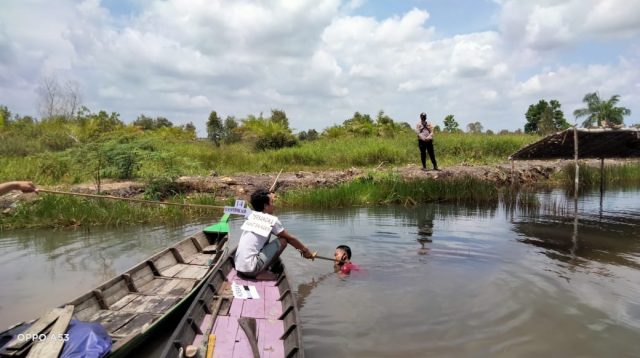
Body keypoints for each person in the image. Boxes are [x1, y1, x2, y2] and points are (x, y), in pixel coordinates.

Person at [234, 188, 314, 280]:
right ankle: (260, 272)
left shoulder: (251, 215)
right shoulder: (271, 220)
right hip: (251, 270)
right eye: (272, 202)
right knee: (283, 240)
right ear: (265, 206)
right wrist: (305, 250)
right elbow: (290, 239)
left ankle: (258, 269)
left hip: (239, 267)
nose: (274, 206)